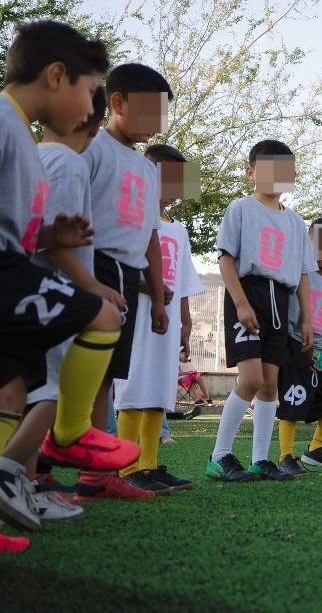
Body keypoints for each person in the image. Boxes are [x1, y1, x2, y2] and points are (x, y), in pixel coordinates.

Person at [0, 20, 136, 556]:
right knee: (102, 315)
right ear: (56, 76)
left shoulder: (17, 136)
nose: (90, 107)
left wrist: (51, 235)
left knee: (5, 399)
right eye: (90, 91)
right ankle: (70, 435)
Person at [0, 86, 114, 531]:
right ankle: (6, 469)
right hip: (50, 295)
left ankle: (28, 484)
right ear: (95, 126)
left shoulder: (32, 158)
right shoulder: (70, 164)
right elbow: (56, 241)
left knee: (29, 393)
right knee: (58, 392)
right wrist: (93, 289)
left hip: (16, 290)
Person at [76, 63, 173, 502]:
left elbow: (148, 234)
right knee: (64, 374)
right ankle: (34, 475)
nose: (156, 125)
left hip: (127, 278)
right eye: (151, 113)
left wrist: (155, 294)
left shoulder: (148, 169)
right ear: (117, 102)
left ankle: (95, 479)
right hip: (87, 267)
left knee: (103, 379)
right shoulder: (90, 147)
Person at [206, 140, 316, 482]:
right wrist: (240, 303)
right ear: (251, 172)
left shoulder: (297, 223)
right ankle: (219, 455)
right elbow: (226, 259)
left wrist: (307, 319)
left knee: (271, 385)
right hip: (248, 293)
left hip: (280, 302)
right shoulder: (239, 209)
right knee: (251, 379)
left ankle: (260, 459)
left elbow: (301, 275)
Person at [112, 143, 202, 494]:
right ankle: (126, 467)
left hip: (167, 322)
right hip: (136, 316)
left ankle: (149, 465)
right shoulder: (132, 215)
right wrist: (146, 287)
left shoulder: (179, 229)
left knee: (159, 390)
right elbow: (117, 264)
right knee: (134, 388)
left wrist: (186, 321)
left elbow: (181, 280)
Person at [276, 218, 322, 474]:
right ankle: (286, 455)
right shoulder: (299, 274)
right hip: (297, 346)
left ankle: (316, 448)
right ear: (309, 244)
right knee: (293, 400)